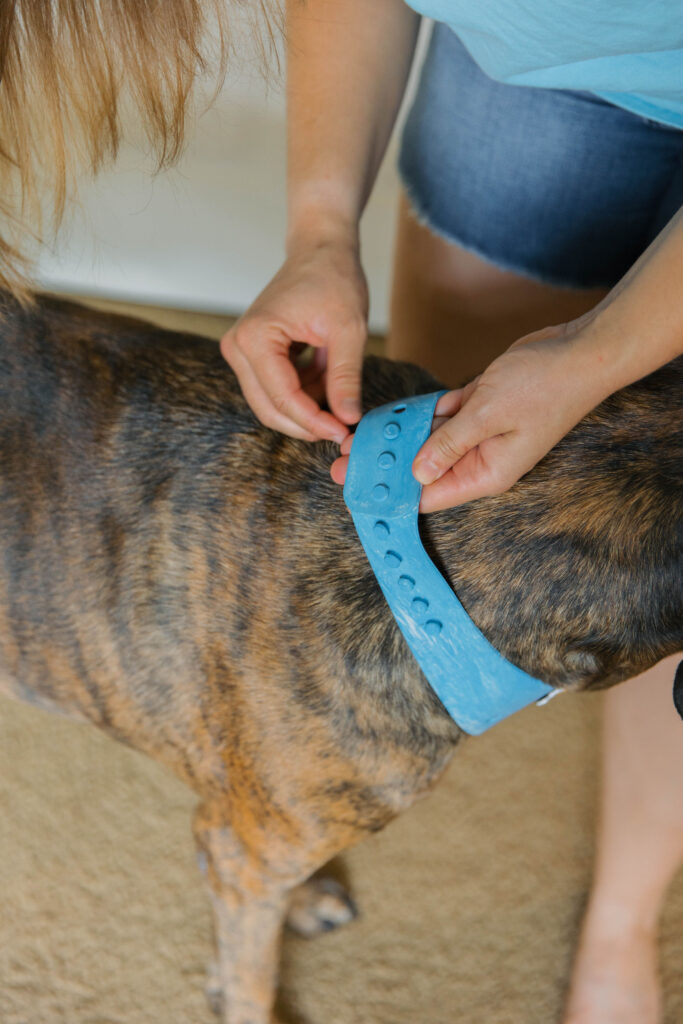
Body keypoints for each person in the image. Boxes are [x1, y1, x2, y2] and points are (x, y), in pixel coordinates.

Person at [219, 3, 683, 1022]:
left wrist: (597, 356)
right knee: (454, 484)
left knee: (670, 558)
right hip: (536, 70)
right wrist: (318, 226)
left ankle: (619, 919)